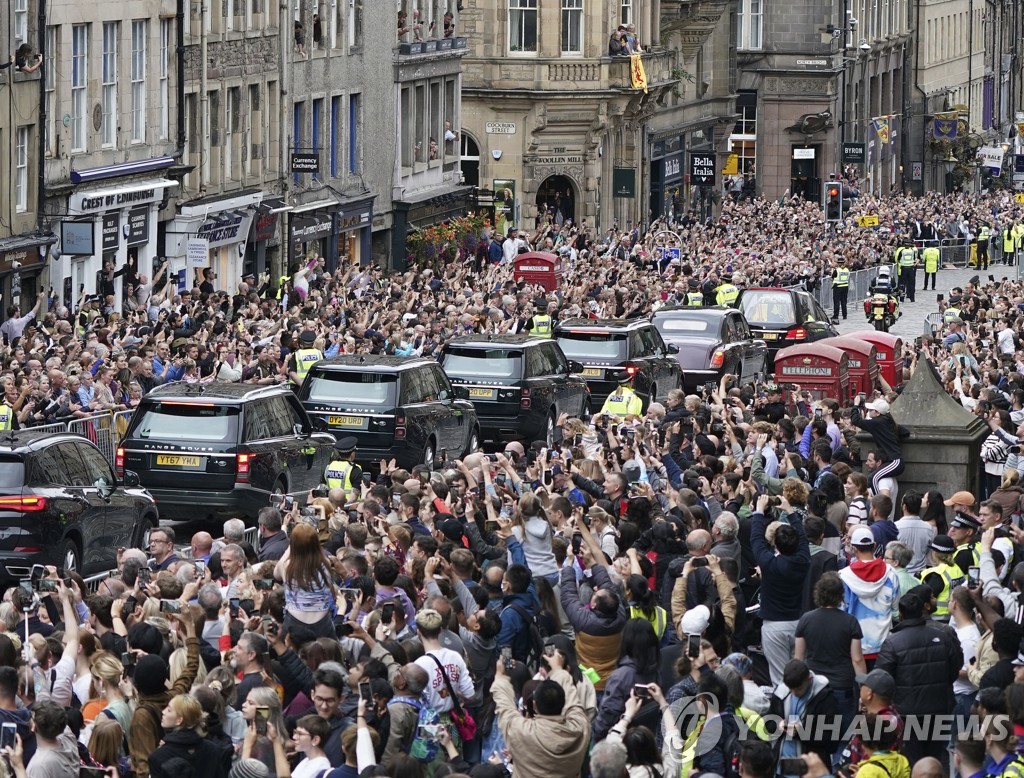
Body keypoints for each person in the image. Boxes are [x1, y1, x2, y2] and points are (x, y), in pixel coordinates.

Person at [874, 593, 963, 770]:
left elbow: (882, 678)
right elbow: (955, 667)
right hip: (939, 708)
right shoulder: (942, 636)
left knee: (913, 760)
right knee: (937, 757)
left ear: (900, 614)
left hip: (908, 713)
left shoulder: (892, 643)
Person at [492, 645, 591, 777]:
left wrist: (500, 675)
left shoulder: (521, 732)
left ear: (534, 705)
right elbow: (573, 701)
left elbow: (505, 706)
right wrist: (558, 670)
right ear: (563, 705)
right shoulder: (579, 728)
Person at [751, 492, 811, 685]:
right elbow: (802, 537)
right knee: (800, 677)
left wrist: (759, 512)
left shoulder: (770, 564)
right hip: (798, 622)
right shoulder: (803, 560)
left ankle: (787, 714)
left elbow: (756, 541)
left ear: (775, 544)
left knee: (779, 680)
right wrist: (790, 512)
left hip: (774, 626)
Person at [273, 523, 337, 638]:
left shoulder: (287, 566)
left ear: (293, 545)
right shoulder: (326, 563)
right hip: (323, 624)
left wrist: (290, 547)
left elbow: (276, 575)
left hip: (294, 623)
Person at [149, 694, 231, 778]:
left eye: (169, 710)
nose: (163, 711)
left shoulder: (158, 757)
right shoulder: (213, 750)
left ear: (179, 720)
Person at [851, 395, 910, 496]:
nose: (869, 412)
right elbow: (905, 432)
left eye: (871, 410)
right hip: (893, 461)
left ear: (877, 413)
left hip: (894, 461)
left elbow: (856, 421)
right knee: (873, 477)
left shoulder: (877, 423)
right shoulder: (888, 421)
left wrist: (856, 405)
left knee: (872, 478)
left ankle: (876, 502)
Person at [324, 437, 361, 503]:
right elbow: (353, 497)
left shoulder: (329, 466)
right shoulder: (354, 469)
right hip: (348, 508)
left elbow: (323, 488)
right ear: (352, 454)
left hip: (330, 505)